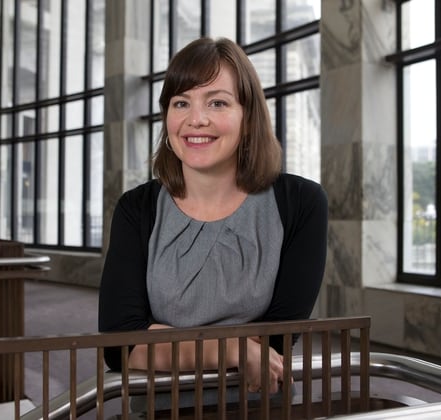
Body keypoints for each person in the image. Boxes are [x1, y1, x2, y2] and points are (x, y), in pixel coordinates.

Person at [98, 36, 327, 396]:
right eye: (181, 102)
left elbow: (277, 340)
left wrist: (160, 338)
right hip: (162, 407)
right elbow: (119, 345)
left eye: (217, 102)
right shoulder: (136, 208)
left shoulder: (300, 203)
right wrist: (233, 347)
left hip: (260, 404)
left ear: (248, 116)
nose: (196, 119)